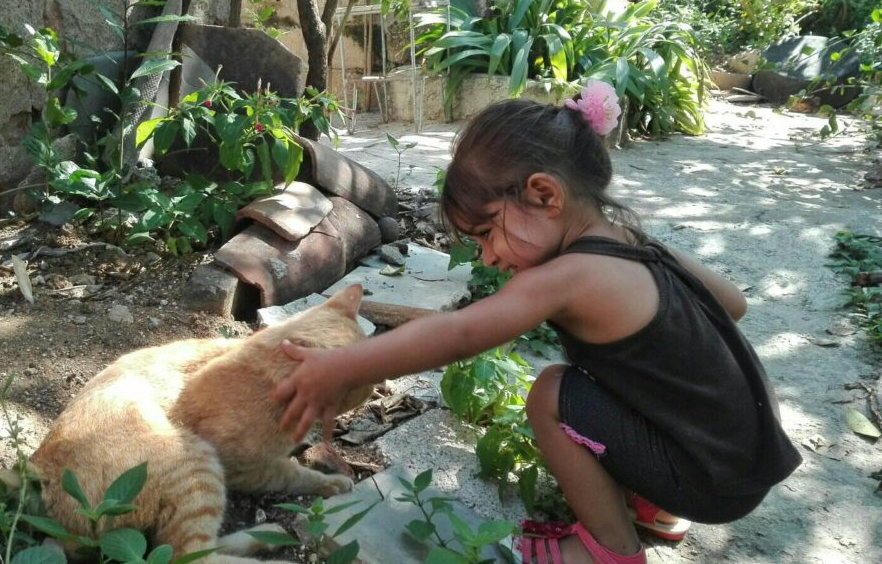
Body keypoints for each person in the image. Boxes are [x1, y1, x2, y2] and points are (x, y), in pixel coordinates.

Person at [271, 82, 802, 564]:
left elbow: (458, 334)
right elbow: (733, 305)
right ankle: (655, 510)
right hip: (743, 452)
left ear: (545, 195)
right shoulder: (635, 243)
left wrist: (340, 366)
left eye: (485, 233)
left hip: (708, 480)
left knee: (552, 392)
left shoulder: (568, 276)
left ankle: (606, 552)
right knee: (618, 380)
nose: (484, 257)